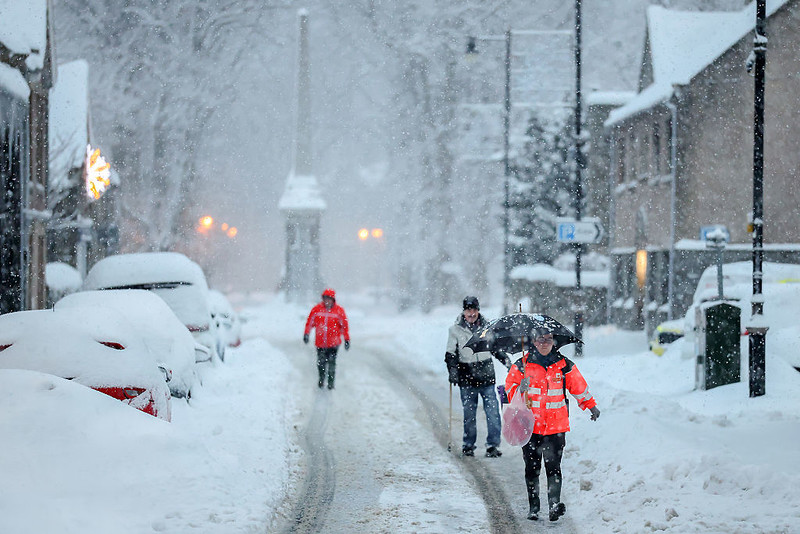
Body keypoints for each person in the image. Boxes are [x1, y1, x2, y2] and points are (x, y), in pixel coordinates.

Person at [505, 325, 600, 522]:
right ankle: (534, 507)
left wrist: (590, 406)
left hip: (556, 427)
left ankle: (554, 505)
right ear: (533, 341)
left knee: (553, 467)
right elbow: (509, 391)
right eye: (540, 339)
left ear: (553, 341)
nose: (544, 343)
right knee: (532, 468)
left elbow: (578, 387)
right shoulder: (521, 365)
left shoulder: (563, 364)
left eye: (548, 339)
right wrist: (519, 389)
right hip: (529, 427)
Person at [445, 296, 511, 458]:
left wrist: (507, 362)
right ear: (464, 311)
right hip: (466, 376)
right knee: (469, 414)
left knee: (493, 413)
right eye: (468, 310)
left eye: (474, 310)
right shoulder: (455, 330)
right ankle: (468, 444)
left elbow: (495, 348)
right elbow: (450, 354)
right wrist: (453, 371)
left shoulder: (487, 328)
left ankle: (493, 445)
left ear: (478, 310)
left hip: (486, 375)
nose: (471, 313)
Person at [303, 288, 350, 389]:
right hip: (320, 343)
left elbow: (344, 327)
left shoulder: (339, 311)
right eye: (325, 299)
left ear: (333, 300)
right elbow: (310, 322)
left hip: (334, 343)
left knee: (332, 363)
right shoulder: (316, 309)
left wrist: (347, 339)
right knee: (321, 363)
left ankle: (331, 382)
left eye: (329, 299)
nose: (327, 301)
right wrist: (306, 333)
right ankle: (321, 379)